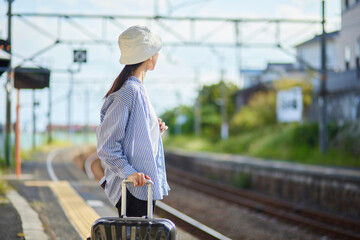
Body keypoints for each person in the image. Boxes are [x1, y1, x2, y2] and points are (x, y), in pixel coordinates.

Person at [96, 25, 170, 217]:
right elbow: (107, 145)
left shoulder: (138, 90)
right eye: (156, 52)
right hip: (133, 187)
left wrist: (153, 130)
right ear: (149, 56)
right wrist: (129, 173)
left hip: (141, 187)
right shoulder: (130, 92)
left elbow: (133, 135)